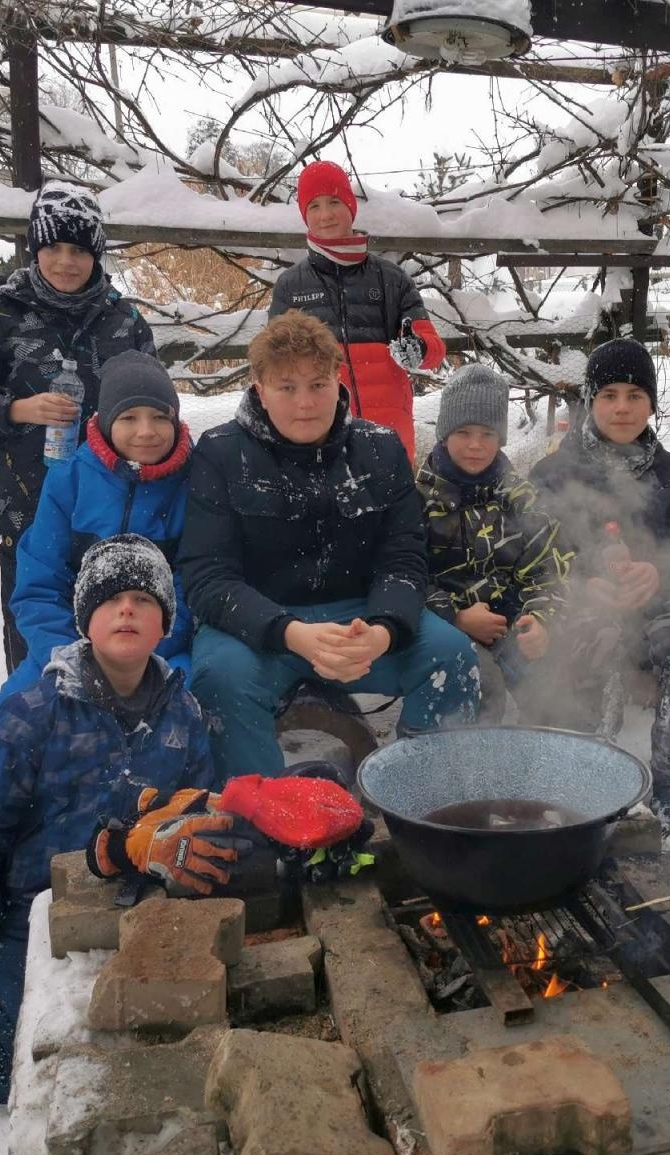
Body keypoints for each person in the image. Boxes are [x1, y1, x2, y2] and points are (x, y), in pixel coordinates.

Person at [0, 537, 229, 1102]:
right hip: (31, 905)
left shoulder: (183, 716)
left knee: (150, 1035)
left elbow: (192, 806)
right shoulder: (35, 714)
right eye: (111, 599)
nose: (128, 610)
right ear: (85, 619)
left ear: (165, 624)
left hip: (131, 894)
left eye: (144, 599)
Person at [180, 310, 479, 779]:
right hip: (260, 626)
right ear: (259, 389)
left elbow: (402, 558)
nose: (305, 403)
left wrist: (383, 630)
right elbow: (208, 577)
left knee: (451, 656)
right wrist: (290, 632)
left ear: (338, 381)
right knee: (219, 679)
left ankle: (426, 798)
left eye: (318, 384)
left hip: (362, 617)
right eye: (287, 387)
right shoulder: (220, 453)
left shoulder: (380, 448)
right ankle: (261, 815)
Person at [0, 182, 155, 673]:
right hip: (28, 509)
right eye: (53, 247)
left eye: (79, 249)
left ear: (96, 255)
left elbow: (157, 404)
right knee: (37, 634)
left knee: (116, 629)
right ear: (35, 248)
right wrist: (16, 410)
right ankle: (38, 732)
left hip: (110, 506)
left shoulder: (124, 321)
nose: (65, 262)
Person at [529, 338, 670, 862]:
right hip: (580, 600)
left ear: (652, 403)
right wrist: (581, 582)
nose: (622, 407)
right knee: (584, 637)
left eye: (636, 394)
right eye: (608, 394)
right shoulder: (553, 474)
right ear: (590, 401)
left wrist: (659, 574)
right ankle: (582, 782)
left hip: (657, 600)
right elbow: (533, 552)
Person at [0, 351, 194, 736]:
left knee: (183, 718)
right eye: (129, 417)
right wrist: (70, 656)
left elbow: (198, 581)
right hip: (71, 646)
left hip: (164, 649)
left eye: (161, 417)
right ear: (107, 423)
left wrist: (143, 654)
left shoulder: (195, 482)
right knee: (3, 723)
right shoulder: (70, 480)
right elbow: (38, 585)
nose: (146, 431)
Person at [415, 364, 572, 721]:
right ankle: (467, 770)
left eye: (487, 433)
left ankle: (544, 765)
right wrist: (455, 617)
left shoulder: (521, 497)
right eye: (464, 431)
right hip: (444, 630)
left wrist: (541, 619)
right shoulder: (419, 501)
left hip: (511, 623)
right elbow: (406, 578)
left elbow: (547, 566)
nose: (475, 444)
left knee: (555, 690)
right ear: (443, 434)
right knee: (482, 683)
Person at [267, 160, 445, 462]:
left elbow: (434, 349)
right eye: (314, 206)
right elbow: (273, 368)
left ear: (350, 206)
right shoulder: (290, 286)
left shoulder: (391, 279)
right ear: (304, 215)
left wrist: (418, 347)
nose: (325, 215)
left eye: (334, 201)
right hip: (318, 440)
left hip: (389, 438)